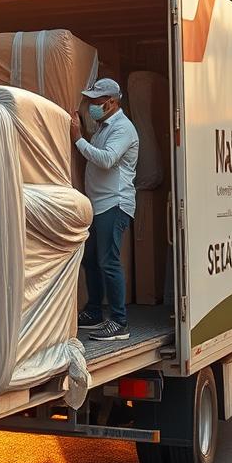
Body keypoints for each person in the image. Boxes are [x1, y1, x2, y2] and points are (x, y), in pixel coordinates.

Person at [70, 78, 140, 341]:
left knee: (108, 261)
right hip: (97, 204)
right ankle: (94, 311)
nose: (91, 107)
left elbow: (107, 159)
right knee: (90, 260)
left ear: (112, 102)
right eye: (89, 102)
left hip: (114, 203)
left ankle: (119, 322)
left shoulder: (123, 129)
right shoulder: (102, 127)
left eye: (96, 103)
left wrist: (78, 139)